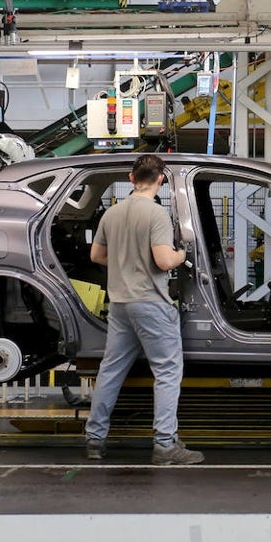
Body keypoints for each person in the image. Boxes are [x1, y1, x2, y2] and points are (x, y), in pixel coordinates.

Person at [84, 154, 203, 465]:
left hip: (120, 305)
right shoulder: (156, 214)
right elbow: (164, 261)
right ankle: (165, 445)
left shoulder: (111, 214)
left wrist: (126, 262)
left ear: (130, 177)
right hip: (151, 304)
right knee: (166, 372)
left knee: (110, 371)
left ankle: (94, 439)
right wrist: (181, 254)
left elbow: (96, 255)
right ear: (161, 179)